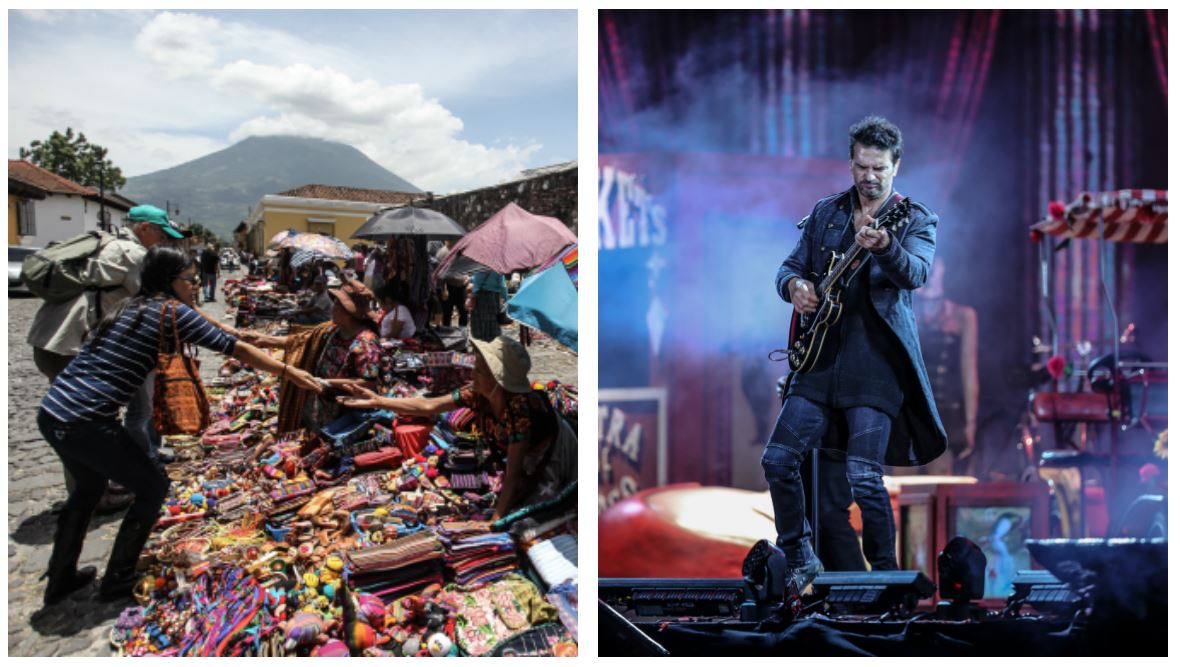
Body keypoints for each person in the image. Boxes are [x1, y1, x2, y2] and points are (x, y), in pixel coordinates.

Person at [36, 246, 323, 605]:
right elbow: (233, 347)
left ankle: (60, 578)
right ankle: (117, 580)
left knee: (88, 489)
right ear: (169, 281)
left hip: (54, 412)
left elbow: (214, 325)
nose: (195, 286)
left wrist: (258, 338)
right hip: (87, 420)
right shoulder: (168, 311)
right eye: (189, 280)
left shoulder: (132, 305)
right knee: (153, 488)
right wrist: (289, 371)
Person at [765, 116, 946, 591]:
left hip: (875, 367)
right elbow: (788, 267)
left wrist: (886, 246)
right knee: (778, 460)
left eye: (880, 168)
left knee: (865, 478)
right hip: (820, 361)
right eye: (863, 166)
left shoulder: (915, 218)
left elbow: (916, 275)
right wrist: (795, 286)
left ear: (896, 166)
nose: (870, 176)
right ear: (851, 162)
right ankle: (801, 556)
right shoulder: (827, 212)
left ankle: (886, 577)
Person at [27, 204, 184, 509]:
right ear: (143, 228)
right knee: (83, 422)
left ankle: (95, 488)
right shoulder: (133, 254)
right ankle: (97, 494)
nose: (163, 240)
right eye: (161, 233)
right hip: (70, 344)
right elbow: (156, 304)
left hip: (53, 341)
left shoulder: (107, 244)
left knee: (78, 419)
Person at [338, 335, 576, 520]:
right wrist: (379, 401)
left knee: (539, 508)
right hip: (522, 453)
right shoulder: (478, 393)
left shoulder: (519, 410)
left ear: (497, 380)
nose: (473, 374)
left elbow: (513, 472)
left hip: (548, 452)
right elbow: (428, 405)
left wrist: (495, 520)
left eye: (480, 370)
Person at [245, 279, 383, 433]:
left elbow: (368, 383)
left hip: (345, 411)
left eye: (337, 305)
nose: (332, 308)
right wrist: (264, 340)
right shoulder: (332, 330)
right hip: (319, 400)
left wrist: (325, 382)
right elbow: (301, 341)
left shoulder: (366, 343)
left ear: (348, 312)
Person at [915, 257, 979, 476]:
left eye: (935, 267)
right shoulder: (904, 310)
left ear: (942, 270)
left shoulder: (962, 315)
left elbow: (969, 371)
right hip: (907, 413)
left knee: (939, 487)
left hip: (944, 414)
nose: (931, 274)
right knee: (901, 489)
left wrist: (970, 422)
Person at [469, 270, 507, 342]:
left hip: (480, 298)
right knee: (493, 320)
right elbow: (503, 286)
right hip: (494, 298)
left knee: (480, 321)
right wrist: (506, 299)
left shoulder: (480, 268)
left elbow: (477, 284)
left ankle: (481, 344)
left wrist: (473, 294)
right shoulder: (498, 269)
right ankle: (493, 343)